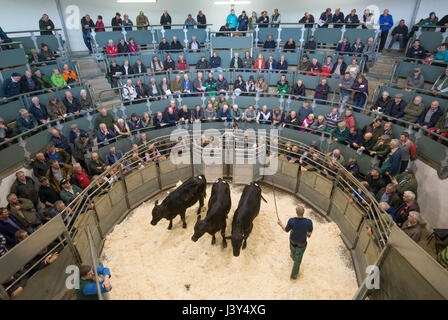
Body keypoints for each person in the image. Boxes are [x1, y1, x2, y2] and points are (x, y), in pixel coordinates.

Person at [277, 204, 313, 279]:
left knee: (293, 253)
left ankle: (293, 257)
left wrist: (280, 224)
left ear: (296, 212)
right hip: (301, 244)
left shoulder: (291, 221)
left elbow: (286, 230)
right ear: (303, 212)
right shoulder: (309, 222)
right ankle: (293, 277)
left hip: (292, 242)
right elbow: (309, 235)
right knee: (297, 261)